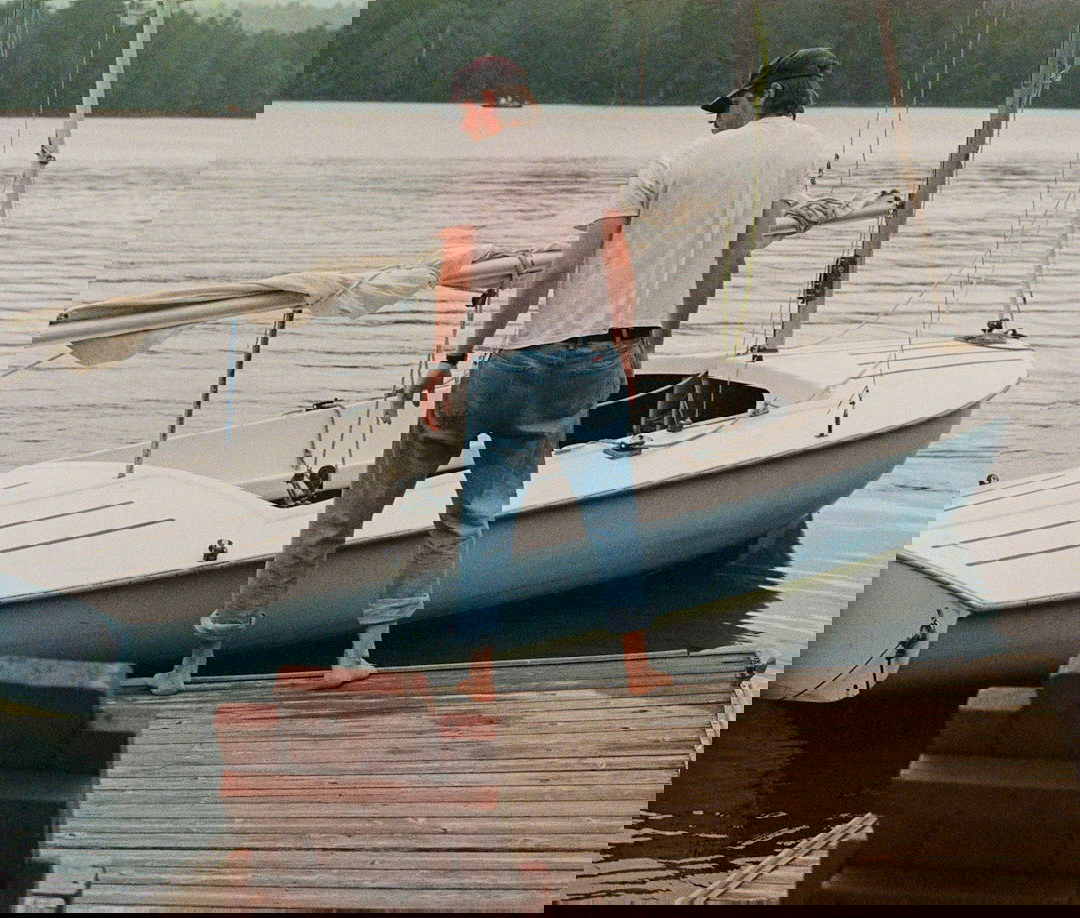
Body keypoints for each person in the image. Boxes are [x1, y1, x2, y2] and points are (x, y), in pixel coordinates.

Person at [189, 48, 840, 671]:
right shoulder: (800, 157)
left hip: (525, 356)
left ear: (752, 102)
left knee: (366, 497)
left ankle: (227, 623)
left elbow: (570, 260)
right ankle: (358, 655)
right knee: (466, 520)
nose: (716, 117)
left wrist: (480, 328)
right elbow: (728, 260)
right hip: (595, 370)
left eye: (724, 107)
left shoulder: (677, 162)